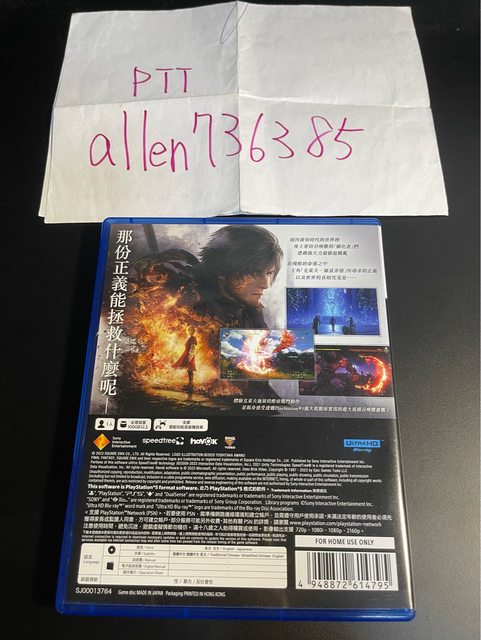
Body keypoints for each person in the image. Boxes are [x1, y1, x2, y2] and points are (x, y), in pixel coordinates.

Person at [193, 225, 283, 328]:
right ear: (223, 270)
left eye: (269, 273)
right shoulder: (192, 311)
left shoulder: (252, 314)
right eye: (255, 272)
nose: (266, 285)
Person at [173, 325, 197, 390]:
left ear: (194, 331)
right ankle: (190, 383)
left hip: (190, 354)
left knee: (190, 369)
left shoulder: (193, 338)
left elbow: (193, 347)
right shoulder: (189, 337)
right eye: (190, 330)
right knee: (188, 369)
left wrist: (190, 355)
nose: (191, 331)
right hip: (186, 353)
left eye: (192, 330)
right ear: (188, 330)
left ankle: (191, 384)